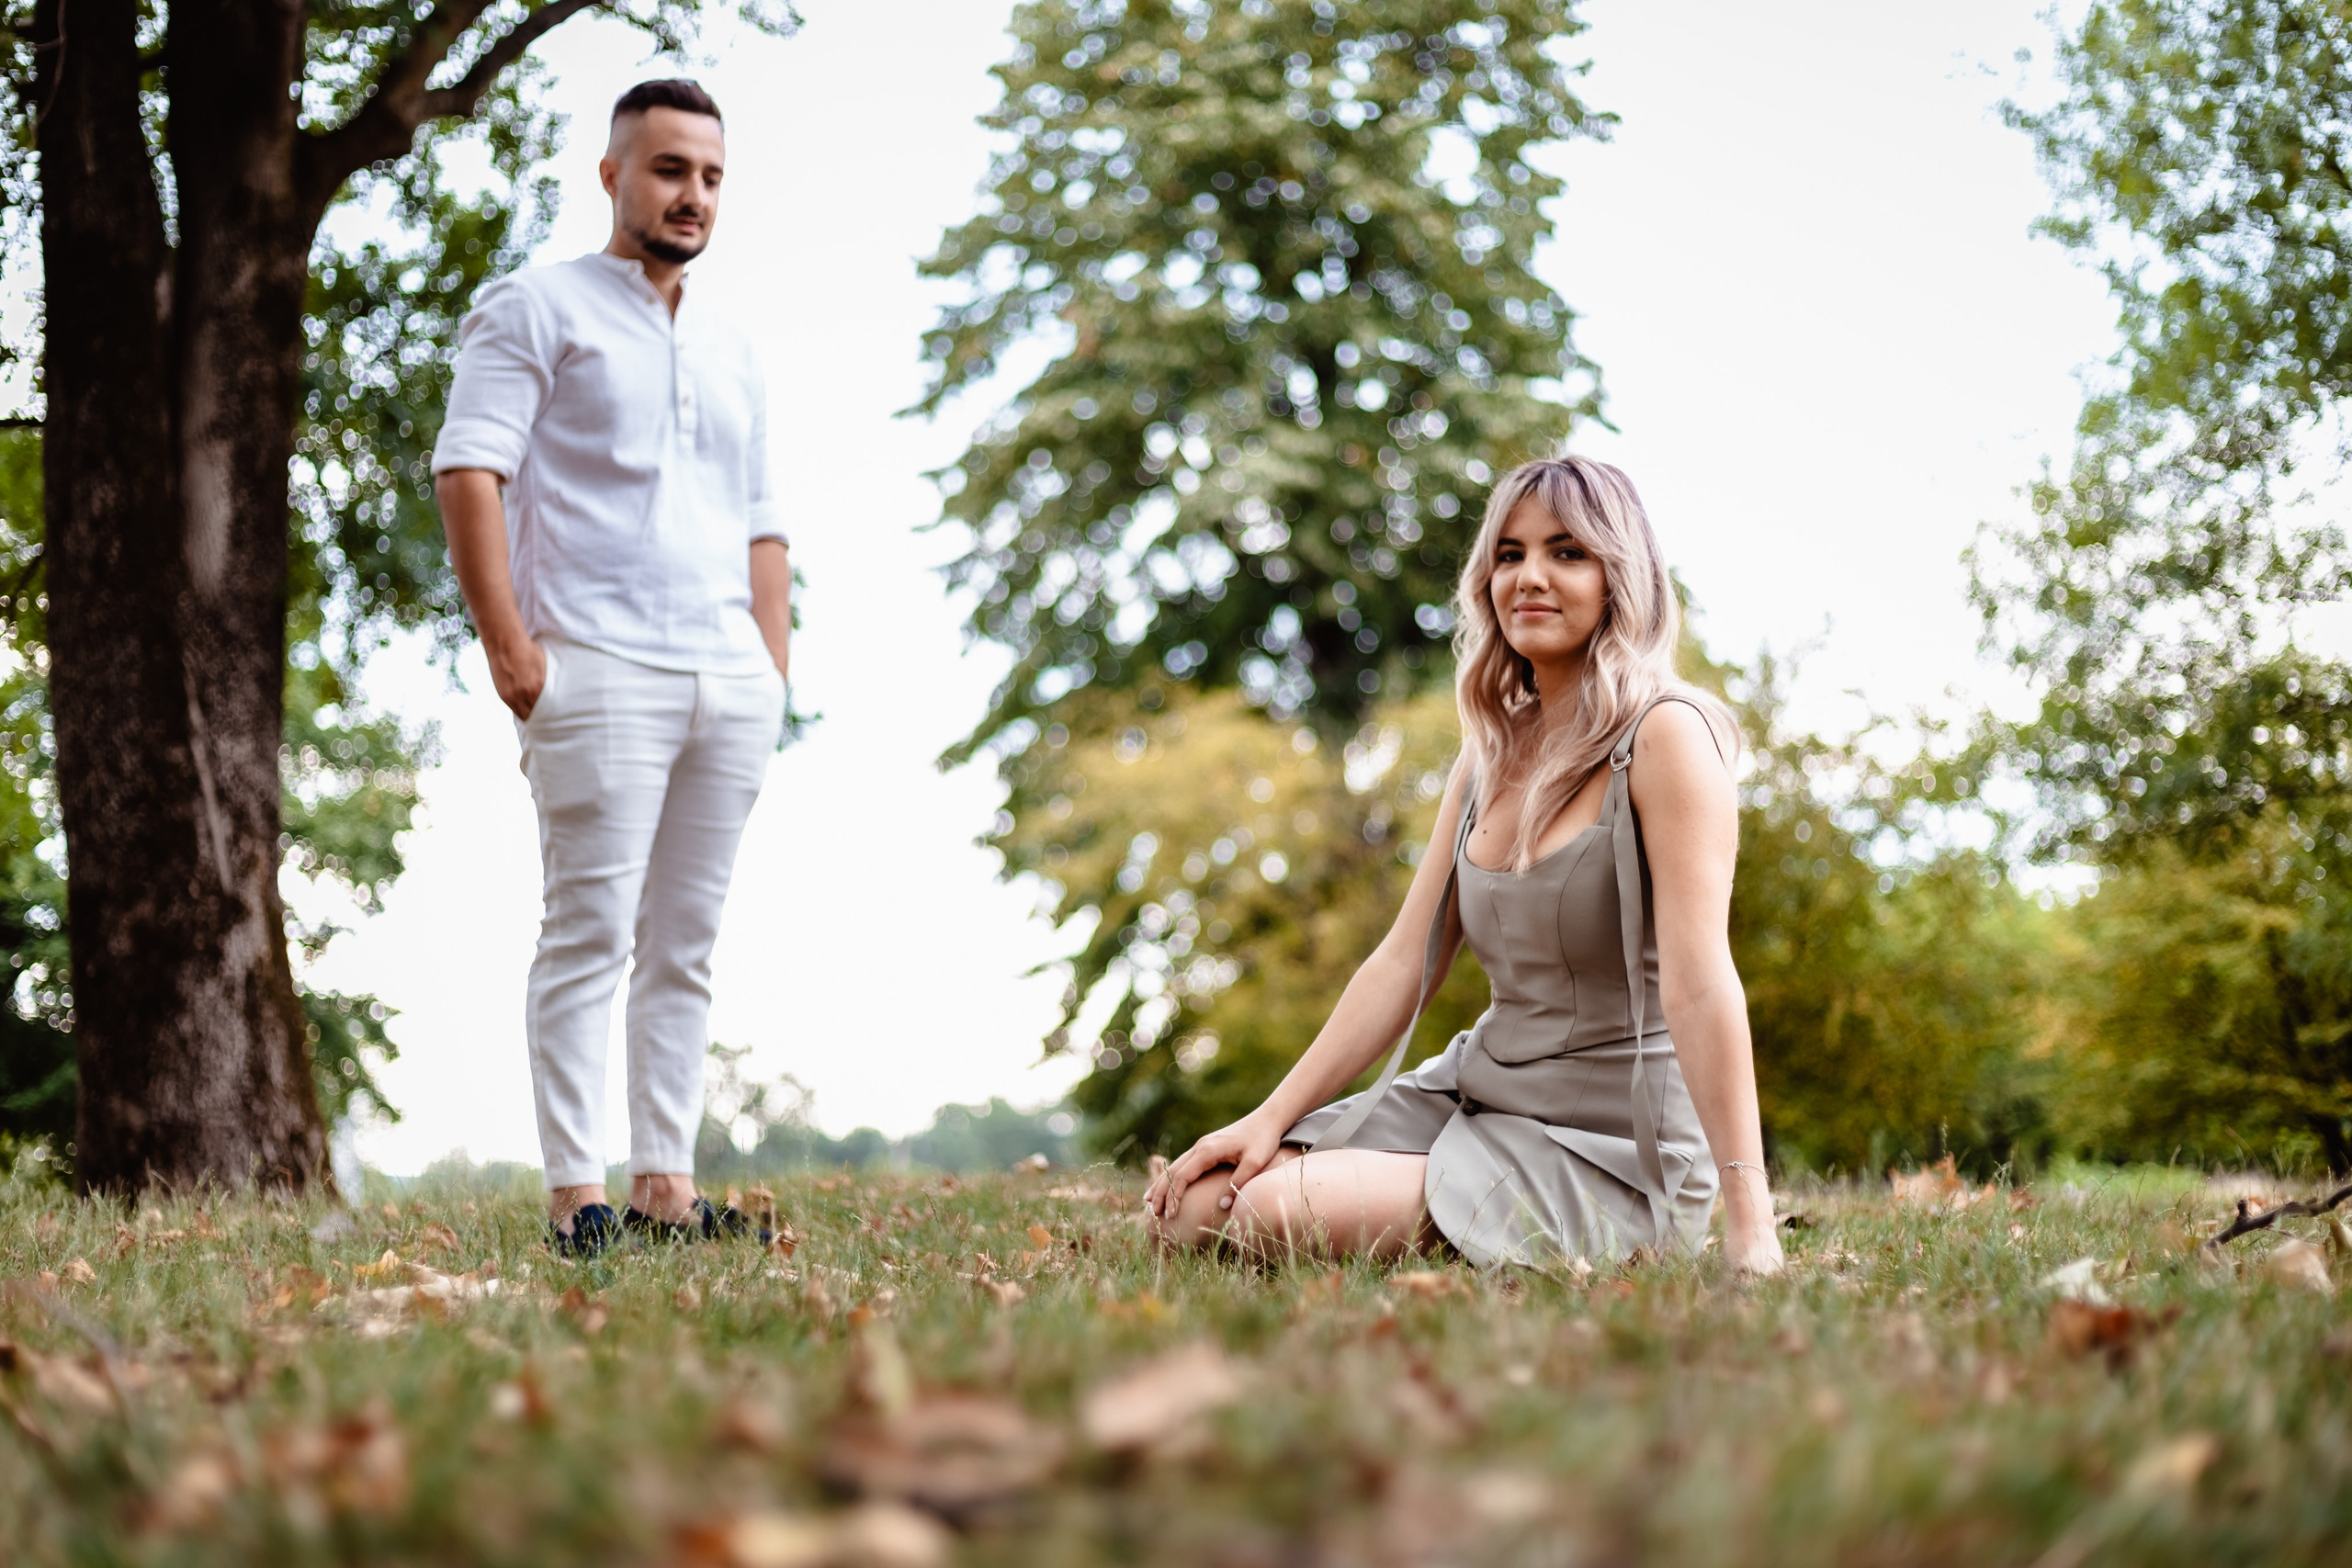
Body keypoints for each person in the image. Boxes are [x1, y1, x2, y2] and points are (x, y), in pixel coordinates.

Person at [1143, 455, 1785, 1276]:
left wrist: (1749, 1222)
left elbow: (1700, 984)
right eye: (1509, 555)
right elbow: (1403, 962)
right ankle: (1432, 1207)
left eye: (1567, 552)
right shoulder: (1490, 754)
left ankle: (1588, 1229)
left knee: (1269, 1212)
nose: (1530, 578)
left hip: (1613, 1142)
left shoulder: (1668, 736)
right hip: (1481, 1090)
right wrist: (1269, 1118)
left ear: (1622, 577)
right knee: (1195, 1209)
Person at [432, 79, 789, 1257]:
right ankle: (576, 1198)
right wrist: (509, 644)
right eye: (670, 169)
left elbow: (762, 523)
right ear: (613, 176)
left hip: (724, 681)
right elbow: (469, 469)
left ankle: (665, 1192)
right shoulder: (534, 308)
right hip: (595, 665)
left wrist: (770, 672)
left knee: (685, 942)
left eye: (711, 176)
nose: (692, 195)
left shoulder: (736, 341)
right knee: (588, 931)